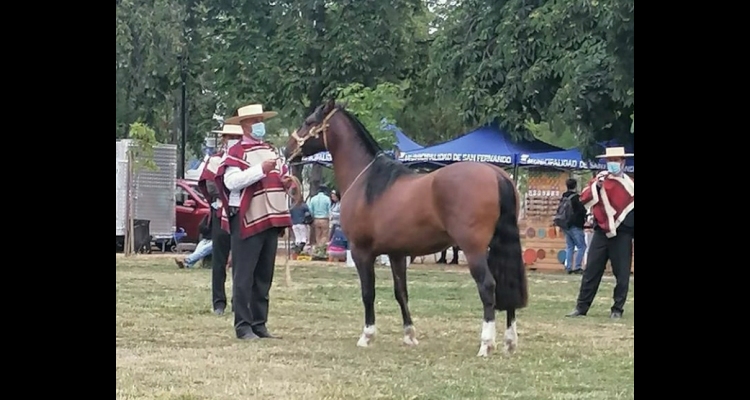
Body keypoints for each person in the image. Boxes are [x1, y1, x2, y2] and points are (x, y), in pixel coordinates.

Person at [214, 103, 293, 340]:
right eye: (256, 120)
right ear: (246, 125)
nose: (260, 124)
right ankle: (243, 325)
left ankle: (260, 323)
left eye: (261, 119)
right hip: (247, 217)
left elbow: (279, 175)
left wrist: (287, 181)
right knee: (244, 274)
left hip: (270, 217)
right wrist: (260, 170)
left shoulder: (271, 150)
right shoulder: (236, 152)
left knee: (263, 275)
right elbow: (231, 182)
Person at [567, 147, 634, 319]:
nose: (613, 163)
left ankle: (617, 309)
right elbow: (584, 199)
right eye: (610, 160)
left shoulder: (629, 185)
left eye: (617, 160)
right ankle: (581, 307)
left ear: (623, 162)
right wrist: (597, 185)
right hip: (600, 231)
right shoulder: (599, 179)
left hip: (623, 233)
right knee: (591, 271)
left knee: (622, 274)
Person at [197, 123, 245, 315]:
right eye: (229, 136)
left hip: (241, 213)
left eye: (236, 137)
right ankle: (219, 302)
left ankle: (238, 301)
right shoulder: (215, 160)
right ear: (224, 138)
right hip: (220, 214)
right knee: (219, 260)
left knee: (241, 261)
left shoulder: (245, 159)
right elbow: (210, 186)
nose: (233, 140)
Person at [559, 178, 587, 274]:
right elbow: (582, 210)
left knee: (570, 246)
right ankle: (577, 267)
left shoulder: (564, 196)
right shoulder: (576, 198)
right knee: (581, 246)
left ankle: (568, 267)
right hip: (576, 225)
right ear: (575, 186)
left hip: (566, 225)